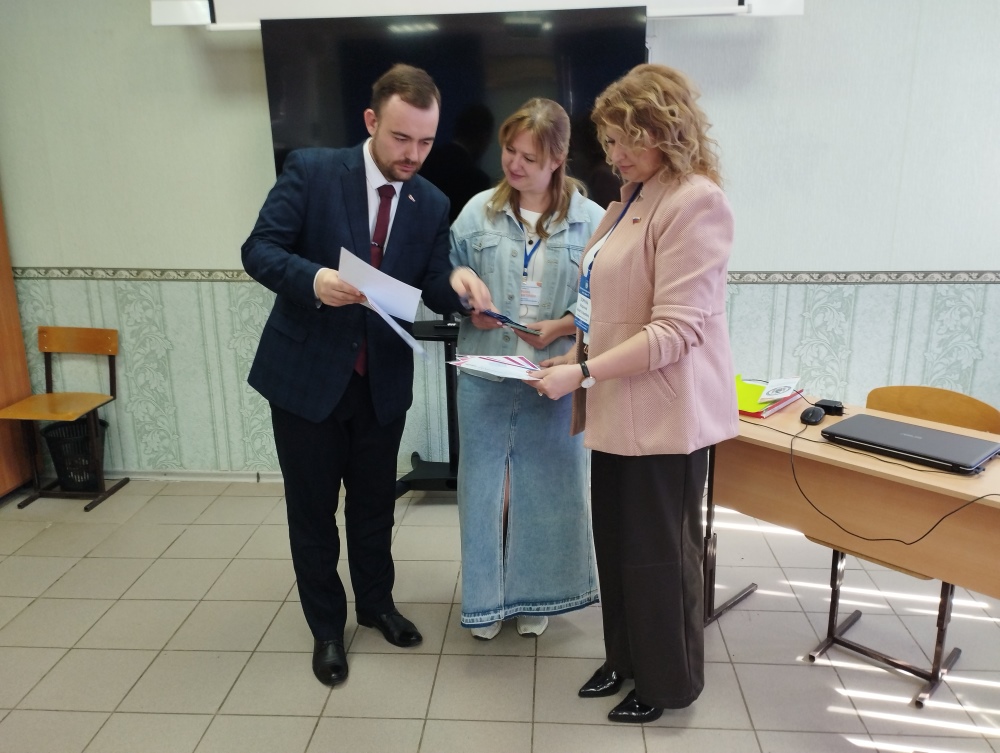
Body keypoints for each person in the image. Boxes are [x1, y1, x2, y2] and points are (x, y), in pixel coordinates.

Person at [242, 64, 489, 688]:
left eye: (426, 142)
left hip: (381, 383)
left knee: (376, 505)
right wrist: (314, 279)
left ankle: (376, 605)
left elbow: (430, 284)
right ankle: (327, 627)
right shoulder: (312, 170)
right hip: (305, 379)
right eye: (402, 138)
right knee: (313, 511)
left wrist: (458, 284)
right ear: (372, 120)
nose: (414, 155)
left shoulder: (432, 201)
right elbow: (260, 249)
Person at [531, 64, 738, 722]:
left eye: (625, 139)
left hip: (666, 415)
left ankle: (667, 683)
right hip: (617, 407)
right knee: (619, 549)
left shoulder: (695, 202)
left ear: (664, 130)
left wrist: (582, 373)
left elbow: (675, 330)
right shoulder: (629, 199)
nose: (613, 153)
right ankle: (624, 658)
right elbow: (607, 305)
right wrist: (573, 347)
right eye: (609, 139)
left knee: (658, 558)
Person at [449, 98, 604, 640]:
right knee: (485, 492)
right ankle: (487, 602)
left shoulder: (593, 222)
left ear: (557, 159)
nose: (514, 165)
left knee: (546, 489)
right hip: (486, 372)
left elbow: (608, 300)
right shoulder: (477, 212)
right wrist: (463, 291)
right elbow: (447, 272)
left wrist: (559, 327)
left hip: (553, 376)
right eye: (509, 151)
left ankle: (536, 595)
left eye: (529, 158)